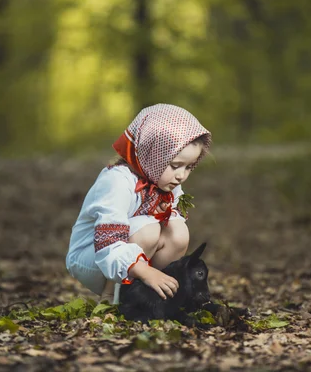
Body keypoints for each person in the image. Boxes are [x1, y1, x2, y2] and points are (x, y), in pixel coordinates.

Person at [66, 103, 212, 304]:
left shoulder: (165, 180)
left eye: (188, 167)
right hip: (94, 256)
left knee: (178, 232)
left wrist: (165, 213)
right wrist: (144, 271)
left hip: (131, 252)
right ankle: (112, 298)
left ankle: (147, 296)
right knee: (149, 229)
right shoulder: (117, 181)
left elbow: (174, 220)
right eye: (175, 165)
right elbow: (108, 241)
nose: (181, 176)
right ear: (152, 155)